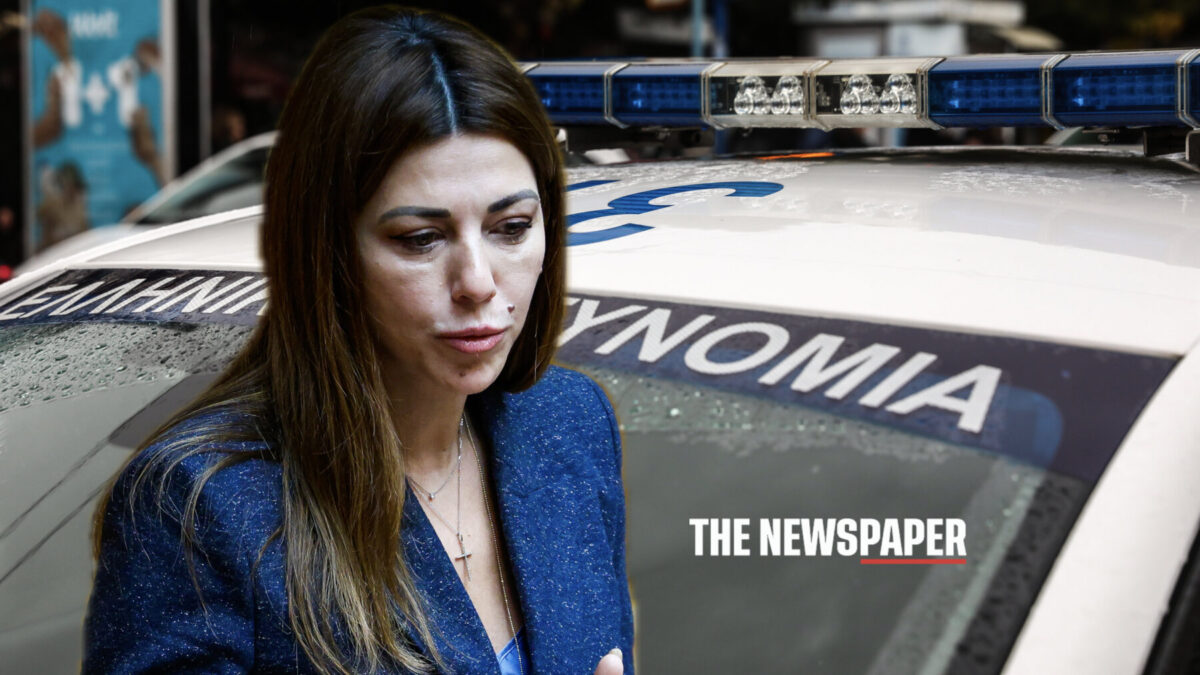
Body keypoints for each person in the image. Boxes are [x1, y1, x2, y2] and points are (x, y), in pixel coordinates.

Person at [83, 6, 634, 674]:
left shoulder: (569, 423)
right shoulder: (201, 505)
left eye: (512, 227)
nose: (477, 281)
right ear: (329, 252)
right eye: (420, 239)